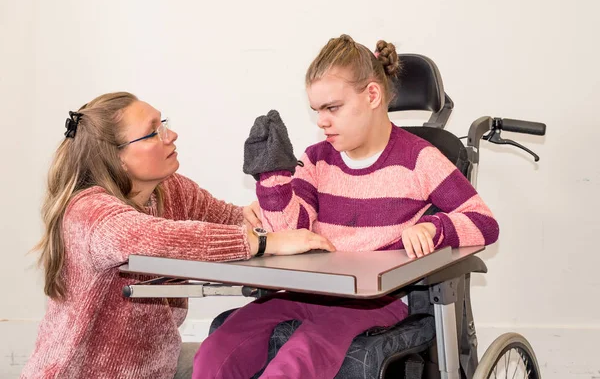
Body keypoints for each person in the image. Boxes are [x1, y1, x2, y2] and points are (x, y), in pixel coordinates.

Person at [193, 35, 499, 378]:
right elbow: (290, 233)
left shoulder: (419, 159)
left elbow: (484, 222)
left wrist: (434, 227)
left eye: (332, 108)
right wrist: (273, 181)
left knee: (294, 362)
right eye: (317, 111)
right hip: (309, 291)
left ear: (372, 94)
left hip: (375, 301)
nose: (322, 121)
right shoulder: (316, 160)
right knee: (217, 349)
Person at [21, 92, 334, 379]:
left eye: (164, 124)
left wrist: (267, 214)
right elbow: (157, 239)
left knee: (249, 361)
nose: (171, 135)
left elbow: (230, 219)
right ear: (118, 157)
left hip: (158, 369)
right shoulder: (88, 212)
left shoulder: (170, 190)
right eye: (154, 131)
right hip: (79, 374)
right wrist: (264, 242)